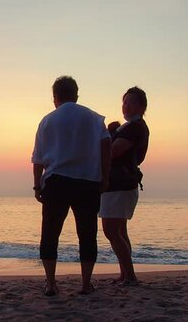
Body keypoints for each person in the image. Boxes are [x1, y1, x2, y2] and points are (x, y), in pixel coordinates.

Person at [31, 76, 112, 296]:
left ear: (54, 97)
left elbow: (38, 159)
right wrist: (105, 177)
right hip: (87, 181)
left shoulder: (47, 121)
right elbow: (106, 148)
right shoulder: (95, 119)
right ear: (76, 95)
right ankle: (85, 284)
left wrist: (37, 186)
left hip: (56, 181)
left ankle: (50, 283)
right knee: (87, 234)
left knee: (50, 233)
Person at [99, 86, 150, 286]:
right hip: (121, 184)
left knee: (111, 231)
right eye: (124, 102)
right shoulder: (129, 126)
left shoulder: (135, 127)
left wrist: (105, 136)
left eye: (131, 102)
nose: (126, 106)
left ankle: (129, 275)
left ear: (142, 106)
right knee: (119, 231)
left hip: (119, 184)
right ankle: (125, 273)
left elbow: (113, 151)